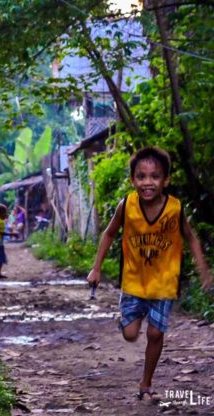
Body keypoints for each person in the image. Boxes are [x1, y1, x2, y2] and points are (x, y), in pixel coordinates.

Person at [87, 146, 212, 403]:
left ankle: (146, 383)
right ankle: (126, 319)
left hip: (164, 282)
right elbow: (109, 233)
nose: (147, 182)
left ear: (165, 180)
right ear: (133, 180)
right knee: (131, 334)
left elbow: (191, 238)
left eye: (154, 176)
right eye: (141, 176)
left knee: (155, 334)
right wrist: (96, 267)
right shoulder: (127, 205)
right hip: (134, 281)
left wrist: (203, 270)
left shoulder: (175, 209)